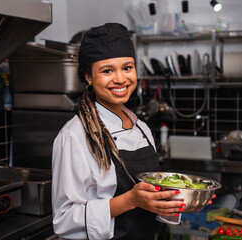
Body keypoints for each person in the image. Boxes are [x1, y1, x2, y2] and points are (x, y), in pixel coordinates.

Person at [51, 23, 213, 240]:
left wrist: (179, 201)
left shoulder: (141, 128)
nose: (120, 79)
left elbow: (150, 203)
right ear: (89, 77)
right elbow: (64, 219)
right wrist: (129, 200)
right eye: (107, 70)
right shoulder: (74, 136)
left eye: (127, 67)